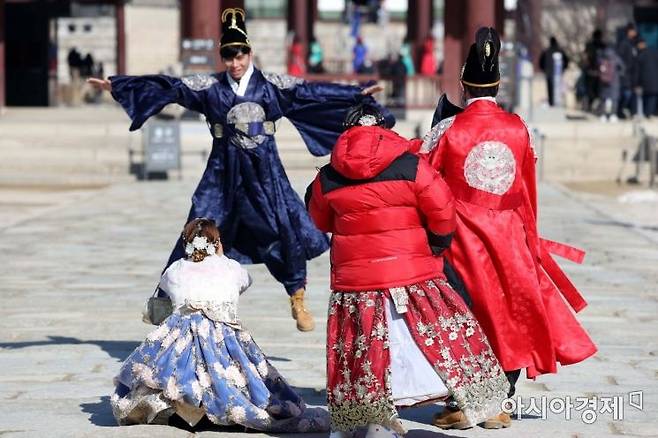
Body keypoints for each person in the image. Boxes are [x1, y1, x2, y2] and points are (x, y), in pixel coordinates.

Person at [88, 8, 389, 332]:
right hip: (222, 174)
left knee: (282, 230)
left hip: (265, 175)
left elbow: (311, 92)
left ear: (249, 53)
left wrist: (355, 93)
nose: (235, 62)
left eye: (240, 54)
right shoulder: (209, 88)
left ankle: (297, 297)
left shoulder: (272, 86)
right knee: (197, 227)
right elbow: (170, 87)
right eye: (229, 56)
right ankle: (166, 300)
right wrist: (120, 86)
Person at [423, 27, 597, 430]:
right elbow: (526, 190)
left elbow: (426, 185)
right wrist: (529, 238)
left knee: (465, 316)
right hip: (512, 233)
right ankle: (498, 401)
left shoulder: (446, 130)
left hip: (463, 238)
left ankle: (467, 399)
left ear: (464, 86)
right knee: (510, 315)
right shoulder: (518, 128)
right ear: (498, 85)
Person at [306, 103, 510, 437]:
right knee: (444, 337)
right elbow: (443, 211)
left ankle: (369, 417)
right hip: (413, 274)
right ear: (385, 129)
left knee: (366, 351)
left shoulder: (327, 176)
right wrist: (436, 245)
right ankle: (485, 403)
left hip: (356, 282)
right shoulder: (413, 166)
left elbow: (320, 219)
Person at [111, 218, 330, 432]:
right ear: (217, 243)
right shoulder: (232, 268)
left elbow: (167, 289)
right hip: (223, 336)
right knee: (237, 371)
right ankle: (219, 408)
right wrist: (221, 259)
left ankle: (183, 408)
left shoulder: (174, 270)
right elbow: (244, 283)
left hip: (181, 334)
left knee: (169, 358)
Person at [539, 36, 570, 106]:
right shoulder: (560, 51)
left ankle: (551, 102)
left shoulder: (546, 51)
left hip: (548, 73)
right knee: (558, 87)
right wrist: (563, 69)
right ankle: (557, 102)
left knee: (550, 88)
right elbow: (566, 61)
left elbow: (541, 62)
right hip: (558, 73)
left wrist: (544, 70)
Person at [616, 23, 639, 117]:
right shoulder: (624, 43)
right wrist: (623, 69)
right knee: (626, 93)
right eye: (633, 30)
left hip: (633, 73)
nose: (635, 32)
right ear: (629, 31)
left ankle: (627, 111)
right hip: (626, 73)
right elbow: (619, 58)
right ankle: (619, 110)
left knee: (631, 93)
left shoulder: (633, 43)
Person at [598, 46, 624, 122]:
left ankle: (603, 115)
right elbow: (622, 68)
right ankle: (613, 115)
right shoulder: (616, 58)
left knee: (603, 98)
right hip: (615, 81)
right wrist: (618, 74)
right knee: (614, 99)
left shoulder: (602, 59)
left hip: (604, 82)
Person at [635, 38, 658, 118]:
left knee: (648, 97)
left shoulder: (641, 55)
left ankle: (647, 114)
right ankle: (651, 113)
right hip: (654, 79)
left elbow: (637, 71)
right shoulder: (655, 53)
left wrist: (637, 83)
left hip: (645, 80)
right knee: (652, 97)